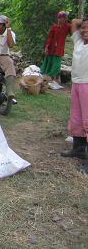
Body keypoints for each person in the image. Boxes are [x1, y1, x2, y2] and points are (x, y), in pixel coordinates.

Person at [60, 18, 88, 174]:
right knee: (76, 119)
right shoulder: (78, 40)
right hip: (76, 84)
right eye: (83, 28)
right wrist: (82, 24)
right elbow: (75, 22)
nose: (84, 30)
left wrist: (85, 24)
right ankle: (79, 148)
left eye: (87, 28)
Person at [41, 11, 71, 83]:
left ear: (65, 19)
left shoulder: (67, 27)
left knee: (56, 64)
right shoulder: (54, 27)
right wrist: (47, 47)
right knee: (48, 62)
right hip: (51, 47)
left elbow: (73, 32)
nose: (60, 20)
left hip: (59, 48)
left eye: (62, 18)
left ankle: (52, 77)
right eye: (59, 18)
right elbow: (50, 37)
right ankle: (46, 77)